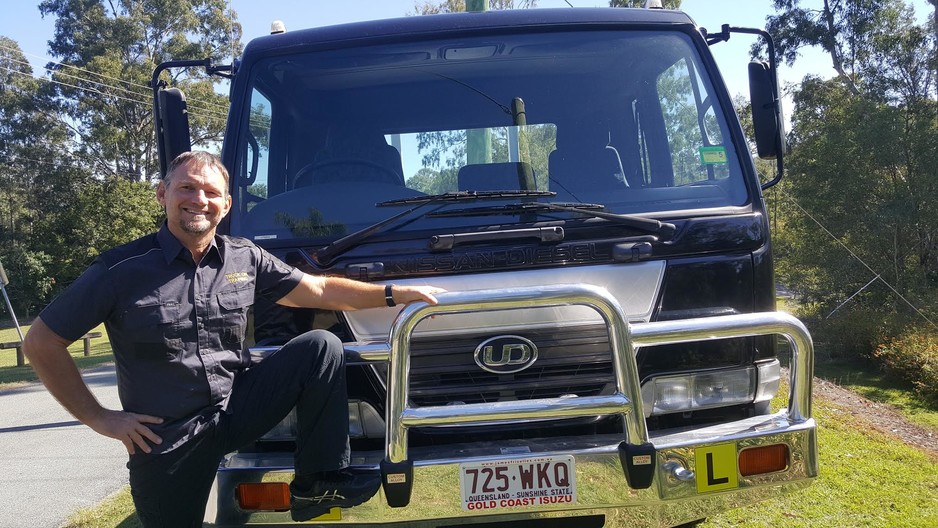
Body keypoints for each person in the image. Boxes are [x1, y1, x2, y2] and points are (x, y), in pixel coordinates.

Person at [22, 151, 444, 526]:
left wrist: (392, 293)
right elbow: (41, 343)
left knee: (320, 347)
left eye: (210, 192)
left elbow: (317, 290)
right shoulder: (120, 269)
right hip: (168, 438)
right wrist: (101, 418)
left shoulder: (245, 256)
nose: (198, 200)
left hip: (236, 410)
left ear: (226, 204)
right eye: (186, 188)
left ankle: (319, 480)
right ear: (162, 194)